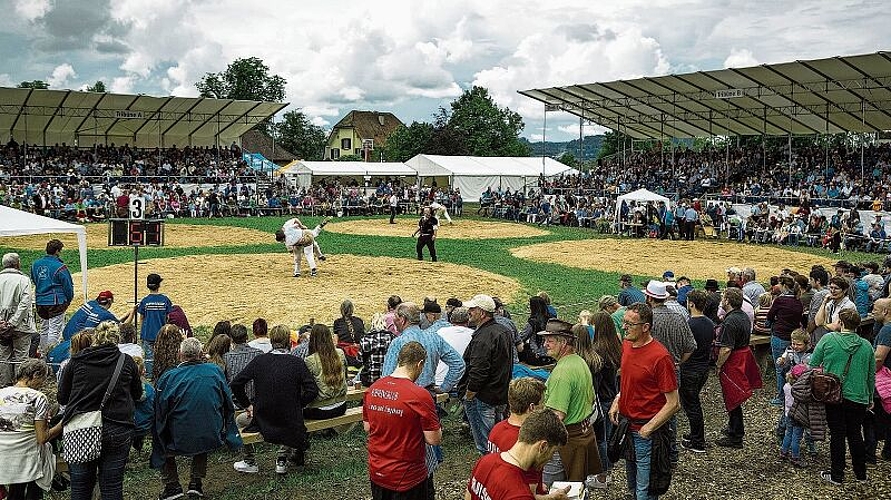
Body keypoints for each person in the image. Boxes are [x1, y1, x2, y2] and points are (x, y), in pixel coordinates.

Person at [57, 321, 142, 500]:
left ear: (96, 338)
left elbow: (62, 398)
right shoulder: (126, 362)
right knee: (112, 486)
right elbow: (137, 393)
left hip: (81, 427)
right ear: (117, 340)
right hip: (117, 427)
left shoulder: (76, 361)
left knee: (80, 486)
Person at [152, 338, 242, 499]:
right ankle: (195, 482)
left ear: (180, 355)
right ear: (201, 354)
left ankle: (172, 485)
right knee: (201, 423)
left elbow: (160, 410)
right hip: (210, 432)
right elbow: (227, 402)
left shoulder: (169, 377)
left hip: (183, 434)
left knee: (162, 436)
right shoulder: (214, 371)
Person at [609, 303, 680, 500]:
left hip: (645, 433)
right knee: (632, 484)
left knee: (645, 490)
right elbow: (629, 379)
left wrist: (649, 428)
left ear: (646, 327)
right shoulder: (627, 345)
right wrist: (618, 398)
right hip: (626, 427)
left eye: (630, 324)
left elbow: (674, 403)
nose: (624, 327)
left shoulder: (660, 357)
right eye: (624, 322)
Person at [231, 325, 319, 475]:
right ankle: (281, 458)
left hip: (263, 418)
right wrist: (298, 404)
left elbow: (236, 384)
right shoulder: (296, 363)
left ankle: (249, 460)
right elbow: (312, 390)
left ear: (272, 341)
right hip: (289, 419)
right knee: (289, 422)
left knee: (239, 421)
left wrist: (247, 405)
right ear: (289, 342)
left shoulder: (260, 361)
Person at [364, 341, 441, 500]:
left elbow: (367, 427)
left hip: (378, 471)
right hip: (407, 476)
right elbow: (433, 439)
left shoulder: (373, 389)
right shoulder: (419, 395)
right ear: (420, 364)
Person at [809, 309, 875, 486]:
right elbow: (870, 375)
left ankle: (837, 474)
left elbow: (813, 363)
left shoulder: (829, 339)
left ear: (841, 322)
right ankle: (861, 474)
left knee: (837, 434)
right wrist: (870, 397)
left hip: (834, 394)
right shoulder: (867, 345)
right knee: (855, 434)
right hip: (858, 395)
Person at [538, 320, 603, 485]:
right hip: (582, 433)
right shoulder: (579, 361)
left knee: (553, 490)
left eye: (549, 340)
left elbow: (556, 416)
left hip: (563, 444)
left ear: (564, 342)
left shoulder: (562, 373)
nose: (545, 344)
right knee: (577, 488)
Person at [466, 410, 569, 500]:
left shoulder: (485, 462)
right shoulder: (519, 495)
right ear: (543, 447)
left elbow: (469, 496)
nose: (550, 459)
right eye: (553, 452)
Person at [458, 295, 512, 455]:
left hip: (482, 397)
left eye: (472, 309)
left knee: (486, 443)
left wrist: (469, 395)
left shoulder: (483, 337)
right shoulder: (503, 331)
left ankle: (492, 471)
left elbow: (478, 372)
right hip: (500, 394)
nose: (469, 312)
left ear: (482, 313)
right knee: (498, 438)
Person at [0, 358, 59, 500]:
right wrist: (62, 425)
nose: (43, 383)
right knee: (43, 452)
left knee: (16, 492)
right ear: (36, 375)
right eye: (43, 378)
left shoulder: (1, 393)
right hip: (27, 458)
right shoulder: (38, 397)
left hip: (4, 456)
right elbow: (42, 438)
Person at [714, 288, 760, 449]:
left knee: (733, 396)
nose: (721, 300)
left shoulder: (730, 320)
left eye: (723, 298)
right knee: (734, 396)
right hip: (742, 356)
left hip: (734, 360)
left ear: (727, 301)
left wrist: (718, 365)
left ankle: (736, 436)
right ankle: (733, 427)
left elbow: (726, 348)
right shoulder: (742, 316)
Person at [679, 290, 714, 453]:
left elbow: (685, 348)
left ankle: (698, 441)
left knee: (692, 405)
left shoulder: (689, 324)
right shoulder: (709, 323)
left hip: (690, 369)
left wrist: (680, 362)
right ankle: (694, 434)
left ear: (691, 304)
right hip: (703, 369)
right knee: (692, 403)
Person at [590, 312, 622, 473]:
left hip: (602, 397)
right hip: (613, 394)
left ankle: (604, 469)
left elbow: (597, 380)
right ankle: (611, 461)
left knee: (601, 438)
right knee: (610, 434)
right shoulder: (615, 343)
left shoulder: (598, 350)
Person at [767, 276, 805, 406]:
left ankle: (781, 397)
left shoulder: (780, 300)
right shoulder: (798, 301)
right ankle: (792, 392)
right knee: (792, 365)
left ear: (784, 285)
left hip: (779, 335)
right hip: (792, 337)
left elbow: (770, 315)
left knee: (780, 367)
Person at [30, 239, 74, 353]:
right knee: (54, 330)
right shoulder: (60, 266)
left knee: (44, 328)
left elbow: (34, 280)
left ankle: (44, 353)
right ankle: (51, 354)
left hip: (40, 301)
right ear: (57, 251)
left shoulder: (35, 264)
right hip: (56, 301)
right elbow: (68, 286)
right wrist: (68, 300)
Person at [0, 253, 36, 388]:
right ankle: (19, 387)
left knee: (4, 357)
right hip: (21, 325)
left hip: (1, 327)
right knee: (21, 357)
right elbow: (25, 303)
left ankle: (4, 386)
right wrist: (12, 322)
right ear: (17, 264)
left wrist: (2, 322)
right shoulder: (23, 280)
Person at [304, 324, 348, 420]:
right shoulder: (340, 353)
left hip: (320, 409)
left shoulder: (310, 360)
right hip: (341, 406)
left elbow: (308, 387)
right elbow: (346, 375)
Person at [62, 290, 135, 342]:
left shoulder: (91, 304)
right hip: (78, 339)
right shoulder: (105, 314)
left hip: (67, 333)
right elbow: (124, 327)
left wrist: (127, 313)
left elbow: (115, 320)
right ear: (110, 301)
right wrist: (133, 312)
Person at [137, 273, 172, 378]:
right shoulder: (165, 300)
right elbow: (168, 317)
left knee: (149, 357)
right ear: (159, 285)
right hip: (161, 334)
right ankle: (161, 374)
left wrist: (141, 332)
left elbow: (142, 318)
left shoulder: (145, 301)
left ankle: (149, 375)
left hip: (147, 334)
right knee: (162, 354)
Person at [435, 307, 474, 388]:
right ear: (468, 321)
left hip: (439, 382)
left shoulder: (440, 332)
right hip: (463, 384)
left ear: (451, 320)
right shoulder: (474, 334)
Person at [779, 364, 809, 468]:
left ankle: (783, 451)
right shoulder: (802, 389)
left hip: (788, 414)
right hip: (798, 415)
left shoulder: (786, 386)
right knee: (796, 437)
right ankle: (795, 457)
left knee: (788, 433)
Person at [358, 313, 395, 387]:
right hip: (388, 378)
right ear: (384, 323)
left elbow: (359, 360)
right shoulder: (392, 337)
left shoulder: (365, 339)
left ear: (372, 323)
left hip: (369, 379)